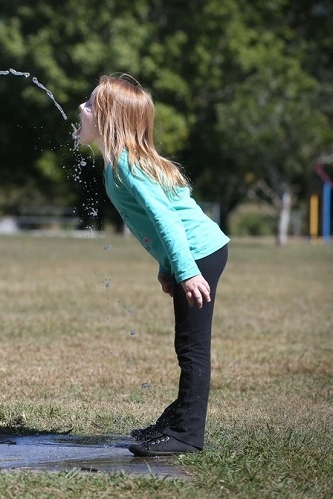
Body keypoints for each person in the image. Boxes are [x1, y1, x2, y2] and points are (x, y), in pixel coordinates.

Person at [74, 74, 229, 457]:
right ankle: (175, 422)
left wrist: (187, 270)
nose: (82, 108)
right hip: (190, 256)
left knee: (192, 347)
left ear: (108, 119)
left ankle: (187, 434)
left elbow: (167, 220)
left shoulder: (126, 163)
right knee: (186, 344)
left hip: (198, 255)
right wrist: (168, 267)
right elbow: (160, 220)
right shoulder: (118, 162)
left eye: (91, 105)